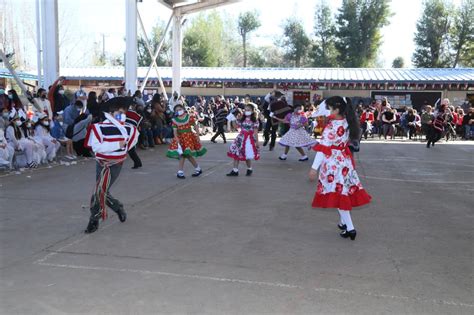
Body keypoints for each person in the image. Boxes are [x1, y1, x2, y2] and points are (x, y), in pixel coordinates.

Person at [309, 96, 371, 241]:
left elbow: (323, 149)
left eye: (330, 108)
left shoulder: (331, 126)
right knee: (343, 191)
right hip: (344, 161)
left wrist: (313, 168)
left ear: (336, 109)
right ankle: (343, 223)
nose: (328, 111)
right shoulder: (348, 121)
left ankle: (350, 228)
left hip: (332, 164)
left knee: (338, 195)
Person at [83, 99, 139, 234]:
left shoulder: (129, 129)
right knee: (100, 191)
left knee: (100, 190)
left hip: (116, 165)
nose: (123, 115)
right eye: (120, 112)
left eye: (124, 112)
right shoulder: (98, 127)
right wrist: (116, 146)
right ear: (111, 113)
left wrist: (120, 151)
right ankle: (111, 210)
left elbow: (129, 145)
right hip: (101, 163)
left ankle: (95, 219)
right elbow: (96, 148)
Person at [166, 103, 207, 179]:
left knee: (186, 154)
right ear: (175, 112)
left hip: (188, 138)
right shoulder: (175, 120)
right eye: (177, 110)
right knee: (184, 154)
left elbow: (195, 126)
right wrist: (177, 139)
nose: (179, 111)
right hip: (180, 139)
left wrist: (197, 135)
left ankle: (182, 171)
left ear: (183, 109)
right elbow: (175, 131)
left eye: (180, 109)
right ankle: (194, 169)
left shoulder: (189, 117)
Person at [226, 103, 260, 176]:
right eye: (245, 110)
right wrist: (233, 119)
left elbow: (255, 132)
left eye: (249, 110)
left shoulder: (255, 121)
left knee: (247, 155)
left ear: (253, 111)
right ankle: (235, 170)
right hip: (240, 138)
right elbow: (235, 127)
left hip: (249, 139)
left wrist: (257, 142)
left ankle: (249, 169)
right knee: (236, 153)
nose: (246, 111)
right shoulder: (242, 119)